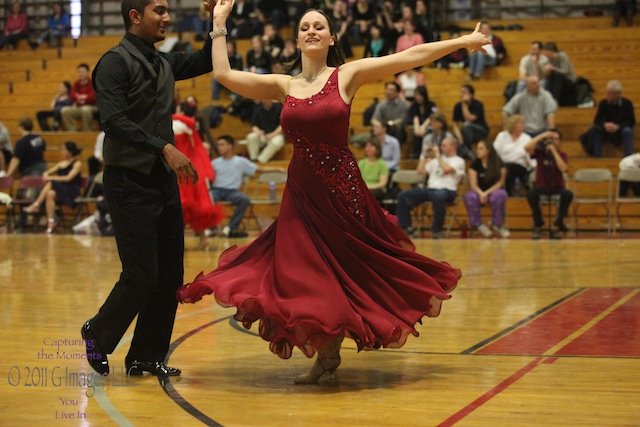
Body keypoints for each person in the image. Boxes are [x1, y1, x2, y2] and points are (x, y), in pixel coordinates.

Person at [177, 1, 488, 384]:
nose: (312, 30)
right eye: (305, 26)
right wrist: (219, 22)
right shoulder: (283, 84)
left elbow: (410, 55)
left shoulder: (346, 75)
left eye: (319, 27)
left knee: (346, 273)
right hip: (301, 198)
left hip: (343, 195)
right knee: (304, 276)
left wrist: (464, 40)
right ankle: (326, 355)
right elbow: (223, 74)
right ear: (296, 39)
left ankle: (328, 355)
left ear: (331, 37)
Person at [81, 0, 214, 378]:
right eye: (159, 10)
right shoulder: (113, 62)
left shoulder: (163, 62)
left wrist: (216, 19)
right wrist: (165, 147)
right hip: (128, 181)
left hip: (162, 182)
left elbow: (206, 59)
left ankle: (145, 356)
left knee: (170, 274)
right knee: (141, 274)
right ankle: (97, 332)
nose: (167, 17)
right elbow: (114, 121)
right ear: (135, 16)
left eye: (168, 10)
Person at [173, 100, 225, 249]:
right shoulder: (190, 124)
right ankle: (202, 237)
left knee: (182, 205)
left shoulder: (177, 124)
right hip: (195, 168)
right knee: (194, 205)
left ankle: (178, 241)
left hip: (181, 169)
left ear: (181, 111)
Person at [210, 135, 282, 237]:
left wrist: (277, 169)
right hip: (217, 190)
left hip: (232, 192)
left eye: (222, 145)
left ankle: (230, 227)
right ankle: (211, 228)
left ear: (230, 146)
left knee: (244, 200)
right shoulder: (214, 163)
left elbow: (259, 170)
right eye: (218, 145)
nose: (219, 147)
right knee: (207, 198)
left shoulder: (240, 161)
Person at [397, 137, 465, 239]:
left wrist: (437, 155)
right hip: (431, 189)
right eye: (441, 145)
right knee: (403, 195)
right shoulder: (435, 160)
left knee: (438, 196)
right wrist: (424, 155)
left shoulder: (458, 161)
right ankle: (407, 228)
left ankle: (437, 231)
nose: (442, 148)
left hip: (448, 190)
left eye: (444, 145)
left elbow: (446, 169)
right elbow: (419, 171)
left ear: (453, 146)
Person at [23, 141, 82, 234]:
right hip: (61, 190)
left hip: (71, 191)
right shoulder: (62, 163)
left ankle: (36, 204)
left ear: (70, 152)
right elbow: (48, 172)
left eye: (64, 149)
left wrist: (50, 177)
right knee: (50, 194)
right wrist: (46, 174)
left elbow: (68, 178)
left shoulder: (77, 164)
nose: (62, 151)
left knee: (51, 182)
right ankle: (51, 221)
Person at [524, 129, 573, 240]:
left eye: (556, 139)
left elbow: (563, 168)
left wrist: (554, 152)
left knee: (568, 194)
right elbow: (526, 148)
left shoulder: (562, 155)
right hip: (541, 187)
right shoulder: (540, 152)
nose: (553, 142)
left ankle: (557, 224)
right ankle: (539, 224)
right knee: (531, 194)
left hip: (557, 187)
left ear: (560, 141)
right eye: (551, 139)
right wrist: (542, 136)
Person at [463, 140, 509, 238]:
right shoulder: (475, 164)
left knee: (499, 195)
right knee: (470, 196)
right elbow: (473, 184)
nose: (477, 151)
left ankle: (498, 225)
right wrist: (481, 193)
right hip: (478, 191)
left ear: (488, 151)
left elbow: (500, 182)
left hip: (494, 190)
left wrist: (486, 193)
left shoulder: (499, 163)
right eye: (477, 148)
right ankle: (479, 225)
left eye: (481, 149)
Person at [583, 80, 636, 157]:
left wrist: (618, 126)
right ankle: (596, 157)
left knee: (627, 131)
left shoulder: (627, 103)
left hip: (620, 129)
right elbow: (597, 120)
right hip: (606, 130)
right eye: (606, 92)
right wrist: (605, 125)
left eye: (610, 93)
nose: (606, 95)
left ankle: (628, 157)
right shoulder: (603, 103)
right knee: (596, 130)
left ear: (617, 94)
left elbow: (631, 121)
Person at [493, 114, 535, 196]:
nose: (523, 125)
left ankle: (509, 193)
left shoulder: (527, 138)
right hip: (503, 165)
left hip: (520, 166)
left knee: (511, 168)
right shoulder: (502, 136)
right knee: (506, 169)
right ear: (513, 124)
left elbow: (530, 155)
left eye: (523, 123)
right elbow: (495, 152)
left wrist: (534, 166)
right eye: (520, 123)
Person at [451, 84, 488, 160]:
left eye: (464, 92)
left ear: (471, 95)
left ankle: (468, 150)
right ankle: (464, 154)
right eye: (461, 92)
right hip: (466, 133)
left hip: (480, 132)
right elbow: (454, 124)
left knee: (466, 125)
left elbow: (469, 119)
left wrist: (464, 105)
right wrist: (459, 137)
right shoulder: (457, 106)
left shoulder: (478, 104)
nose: (461, 95)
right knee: (451, 137)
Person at [61, 64, 98, 131]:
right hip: (79, 107)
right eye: (79, 72)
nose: (81, 74)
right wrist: (83, 97)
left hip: (91, 107)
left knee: (85, 110)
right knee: (65, 110)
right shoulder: (76, 83)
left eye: (83, 72)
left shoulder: (92, 83)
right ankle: (73, 130)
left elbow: (92, 97)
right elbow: (72, 96)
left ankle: (88, 131)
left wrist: (80, 97)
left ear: (88, 72)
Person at [542, 42, 577, 106]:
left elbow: (565, 71)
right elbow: (547, 76)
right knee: (550, 78)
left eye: (547, 51)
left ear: (552, 51)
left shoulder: (562, 56)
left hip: (569, 81)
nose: (545, 54)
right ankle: (546, 100)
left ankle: (554, 100)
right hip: (558, 81)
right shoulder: (549, 60)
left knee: (556, 76)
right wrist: (547, 72)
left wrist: (553, 68)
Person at [407, 85, 437, 159]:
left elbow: (431, 117)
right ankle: (416, 153)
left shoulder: (431, 105)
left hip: (429, 126)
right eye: (416, 95)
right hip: (418, 126)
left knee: (427, 131)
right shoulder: (413, 106)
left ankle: (427, 152)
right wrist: (417, 129)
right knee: (415, 132)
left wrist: (423, 127)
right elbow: (415, 117)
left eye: (420, 95)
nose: (418, 97)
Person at [358, 139, 388, 205]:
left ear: (377, 149)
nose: (367, 149)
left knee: (368, 194)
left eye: (370, 146)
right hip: (364, 188)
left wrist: (368, 187)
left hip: (376, 189)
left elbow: (382, 183)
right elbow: (358, 180)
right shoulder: (361, 163)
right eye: (366, 146)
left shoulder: (382, 164)